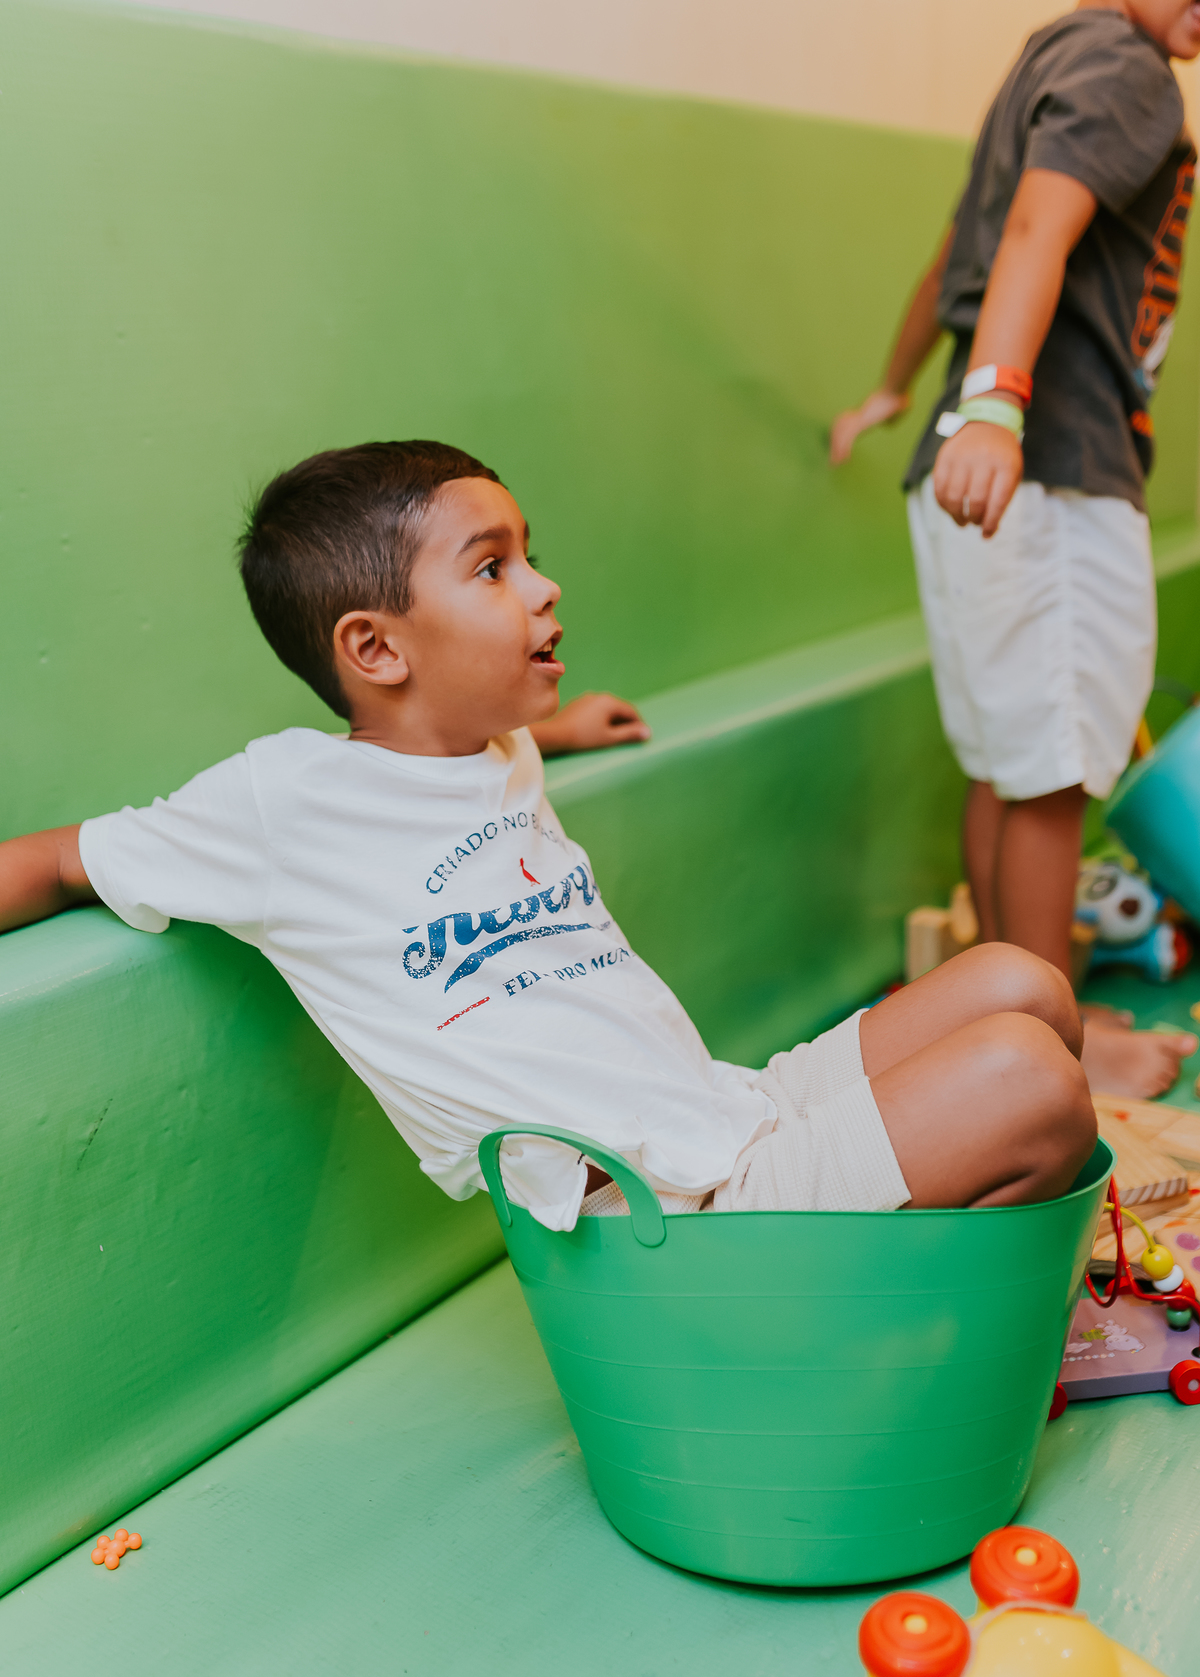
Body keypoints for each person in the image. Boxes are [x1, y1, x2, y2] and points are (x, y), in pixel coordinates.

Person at [0, 440, 1095, 1227]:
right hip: (665, 1215)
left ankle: (918, 1261)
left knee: (1021, 984)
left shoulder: (496, 749)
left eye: (530, 554)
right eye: (493, 568)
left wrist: (563, 727)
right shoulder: (281, 804)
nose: (543, 584)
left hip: (727, 1111)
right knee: (1026, 1081)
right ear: (376, 651)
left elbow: (458, 764)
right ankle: (900, 1333)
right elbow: (55, 859)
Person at [831, 0, 1200, 1100]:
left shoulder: (1049, 56)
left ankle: (1018, 1015)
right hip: (1042, 466)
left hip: (973, 465)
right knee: (1044, 774)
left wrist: (900, 391)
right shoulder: (1125, 65)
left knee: (1006, 766)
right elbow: (1037, 230)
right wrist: (995, 405)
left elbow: (961, 248)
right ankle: (1048, 1066)